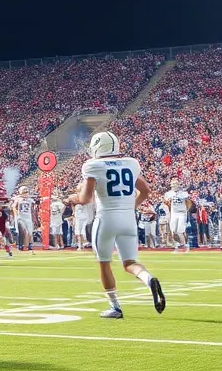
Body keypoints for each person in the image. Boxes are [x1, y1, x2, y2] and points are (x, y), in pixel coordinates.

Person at [65, 131, 165, 318]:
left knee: (104, 264)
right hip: (128, 219)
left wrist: (72, 198)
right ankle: (148, 278)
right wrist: (130, 207)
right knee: (130, 263)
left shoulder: (93, 165)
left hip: (106, 219)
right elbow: (146, 191)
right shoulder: (131, 163)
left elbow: (85, 198)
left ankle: (115, 307)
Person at [163, 179, 193, 251]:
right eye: (173, 184)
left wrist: (187, 210)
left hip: (182, 213)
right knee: (173, 231)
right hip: (174, 213)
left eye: (175, 184)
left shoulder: (183, 193)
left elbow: (189, 202)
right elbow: (166, 202)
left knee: (181, 230)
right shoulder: (169, 193)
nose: (174, 185)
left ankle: (186, 245)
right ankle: (178, 244)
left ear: (178, 184)